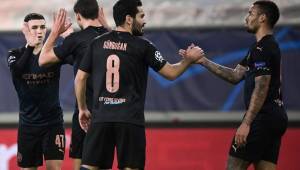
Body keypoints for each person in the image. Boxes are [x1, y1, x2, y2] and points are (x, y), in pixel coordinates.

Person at [74, 0, 204, 169]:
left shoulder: (97, 43)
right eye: (141, 16)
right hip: (130, 121)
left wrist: (83, 109)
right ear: (129, 19)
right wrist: (188, 60)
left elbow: (80, 78)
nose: (144, 21)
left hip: (100, 120)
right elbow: (171, 73)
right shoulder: (144, 46)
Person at [182, 1, 287, 169]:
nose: (246, 19)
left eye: (250, 14)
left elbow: (262, 87)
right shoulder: (259, 48)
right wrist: (202, 61)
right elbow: (235, 75)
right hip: (276, 118)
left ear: (262, 18)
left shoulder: (263, 48)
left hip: (262, 118)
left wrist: (246, 123)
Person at [39, 0, 110, 169]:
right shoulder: (112, 37)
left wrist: (56, 32)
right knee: (102, 163)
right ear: (98, 13)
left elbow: (43, 59)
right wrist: (106, 26)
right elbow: (79, 58)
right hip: (110, 111)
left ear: (78, 16)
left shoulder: (77, 40)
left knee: (80, 162)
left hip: (85, 113)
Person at [7, 13, 68, 170]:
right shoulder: (15, 54)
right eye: (34, 27)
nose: (39, 31)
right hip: (28, 126)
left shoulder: (53, 54)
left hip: (53, 124)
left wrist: (69, 38)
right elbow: (17, 71)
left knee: (54, 168)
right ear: (25, 30)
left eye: (42, 27)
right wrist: (30, 46)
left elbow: (80, 59)